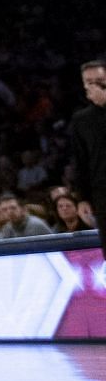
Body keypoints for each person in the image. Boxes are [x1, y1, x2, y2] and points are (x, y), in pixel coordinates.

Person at [68, 60, 106, 251]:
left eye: (99, 80)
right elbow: (80, 162)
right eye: (89, 82)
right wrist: (82, 198)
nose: (95, 86)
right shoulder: (81, 120)